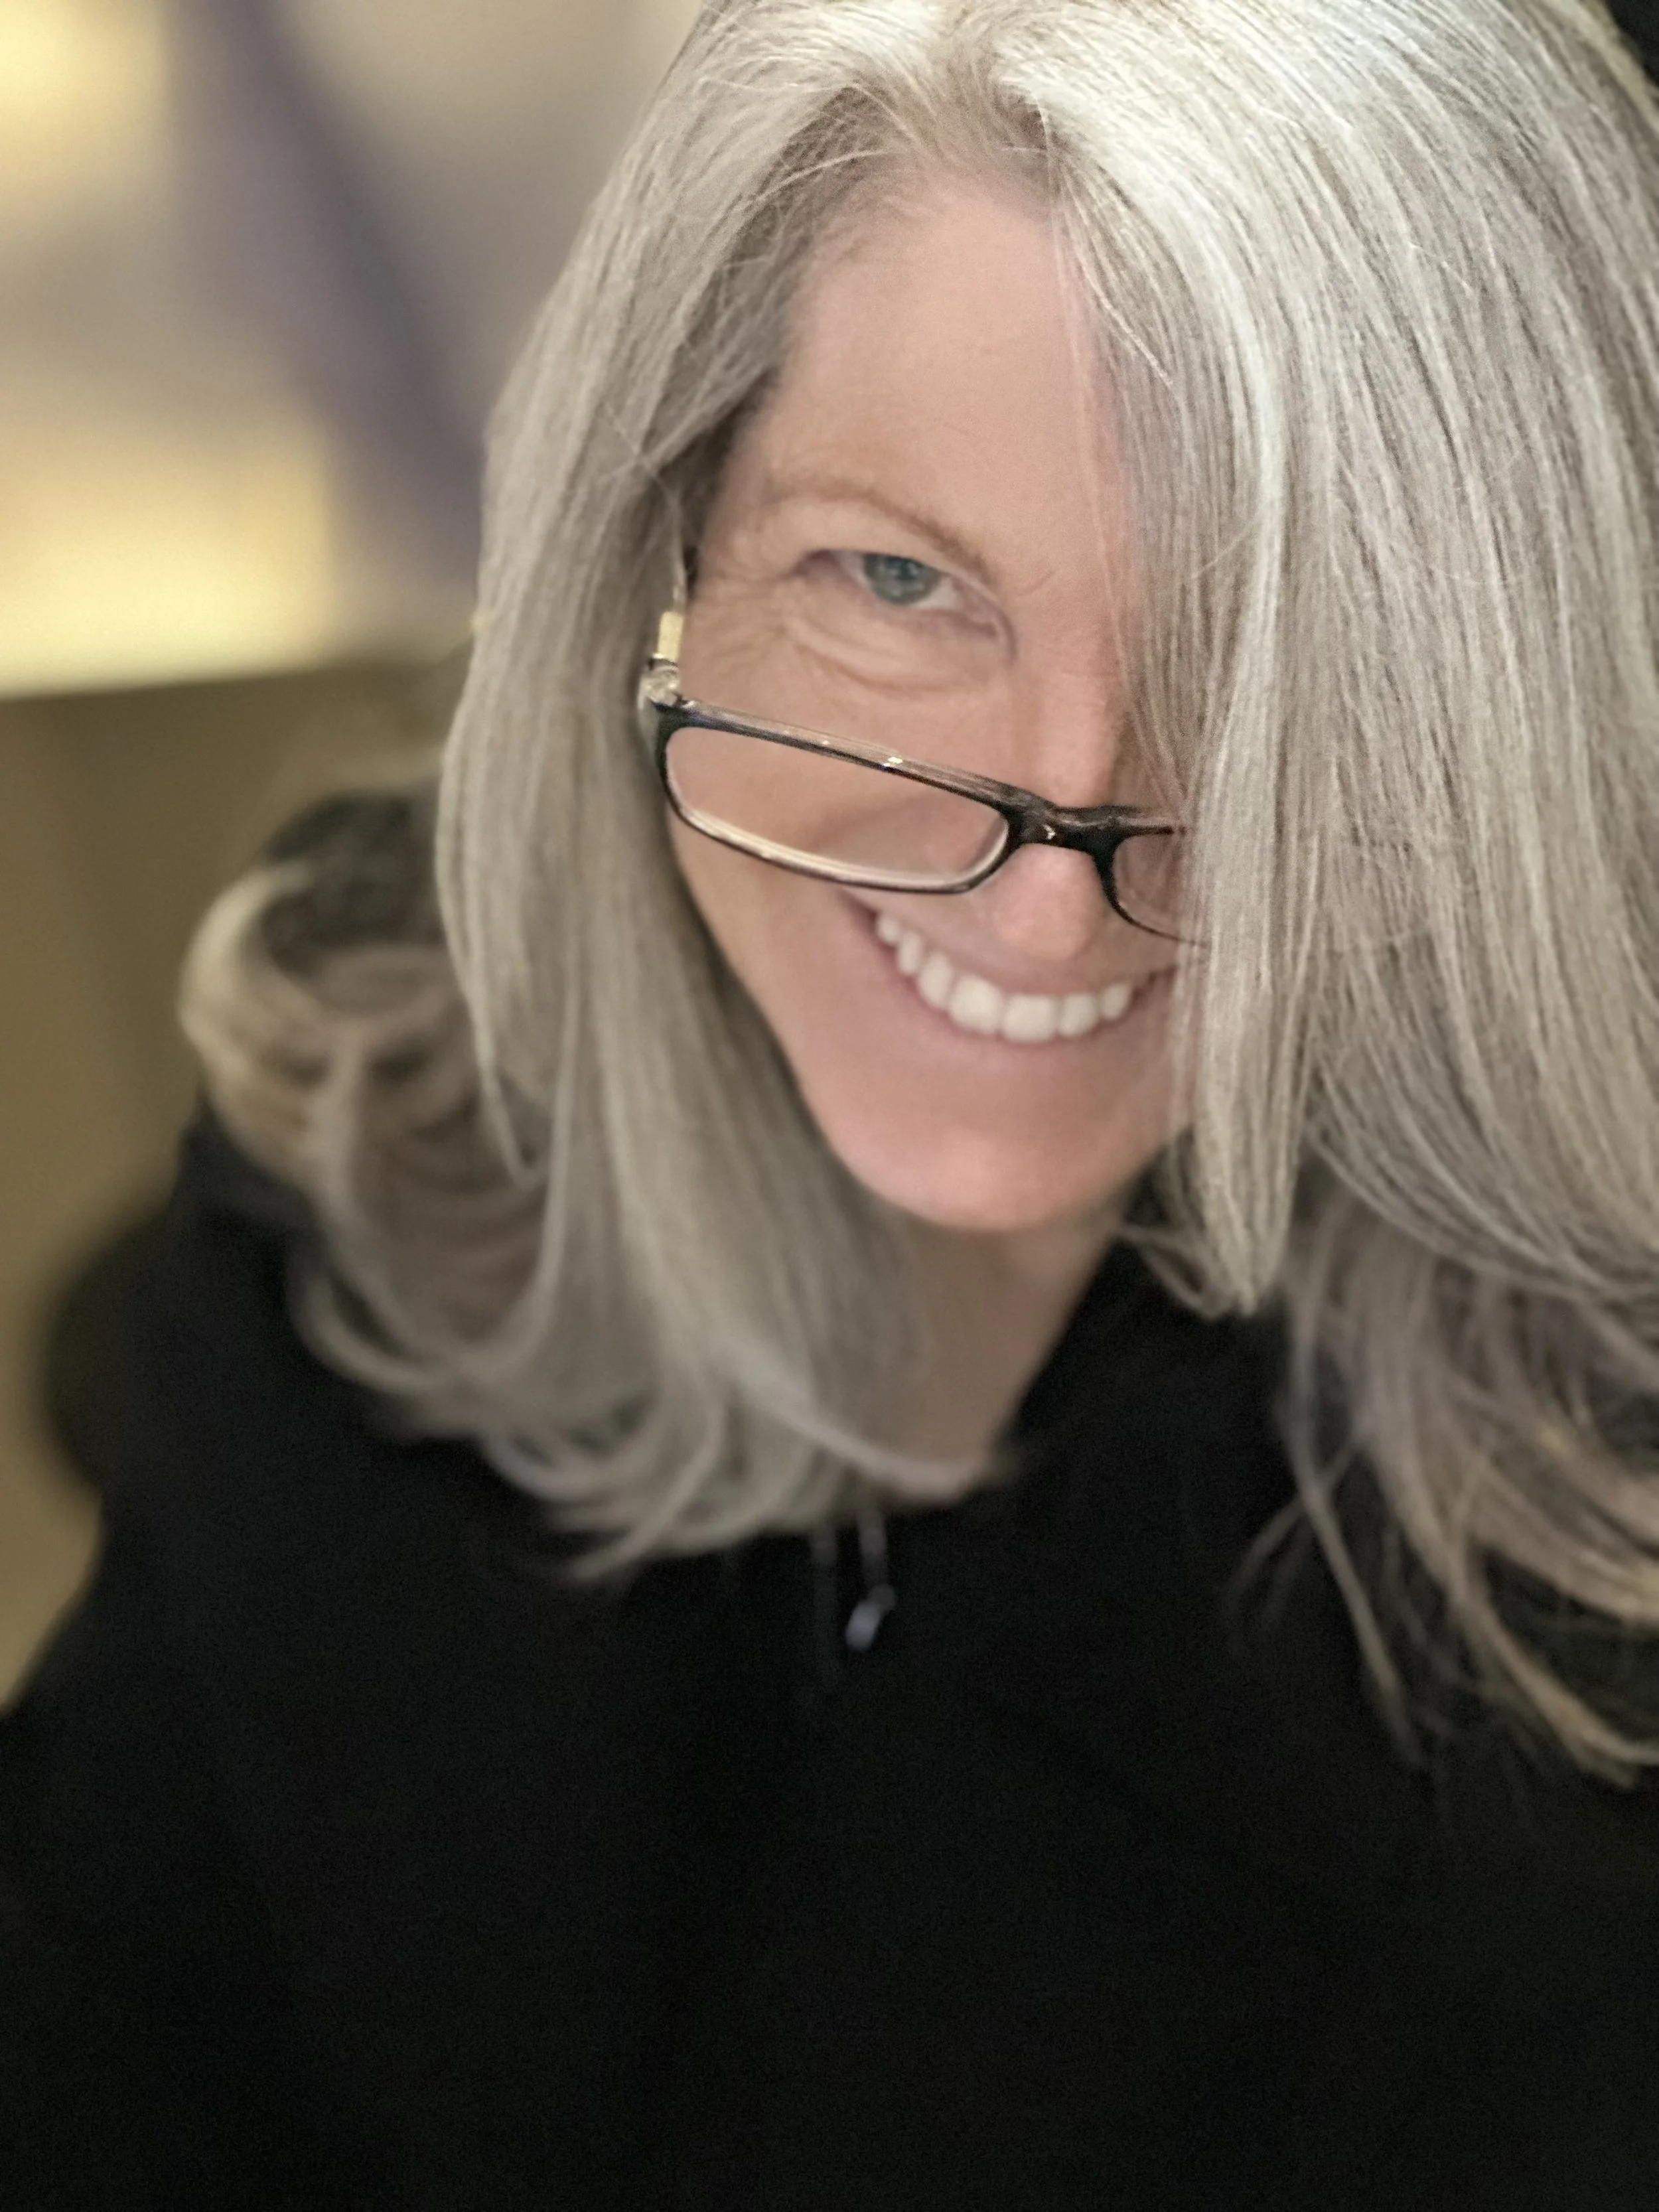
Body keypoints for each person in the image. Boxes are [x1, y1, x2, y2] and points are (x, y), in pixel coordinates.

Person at [9, 0, 1659, 2202]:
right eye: (895, 580)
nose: (1063, 888)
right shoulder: (330, 1240)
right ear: (658, 561)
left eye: (1291, 652)